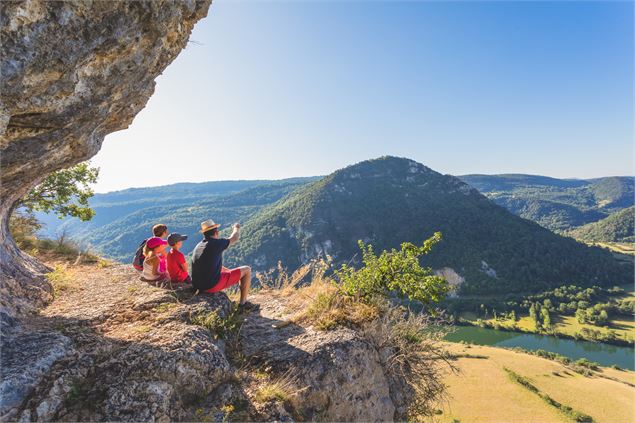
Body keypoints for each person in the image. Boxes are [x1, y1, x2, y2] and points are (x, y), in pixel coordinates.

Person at [191, 219, 257, 310]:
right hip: (211, 285)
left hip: (198, 286)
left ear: (204, 234)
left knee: (232, 272)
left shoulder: (198, 246)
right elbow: (234, 238)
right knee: (247, 270)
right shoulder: (216, 243)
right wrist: (236, 228)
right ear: (216, 232)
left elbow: (208, 265)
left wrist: (228, 271)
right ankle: (243, 304)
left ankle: (242, 303)